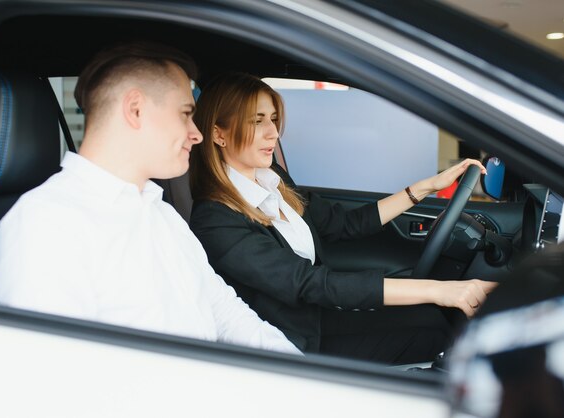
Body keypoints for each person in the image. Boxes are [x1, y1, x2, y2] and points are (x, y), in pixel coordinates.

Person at [0, 43, 300, 355]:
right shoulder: (45, 229)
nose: (197, 133)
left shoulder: (160, 213)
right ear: (135, 109)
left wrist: (297, 372)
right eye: (186, 114)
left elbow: (225, 313)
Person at [188, 72, 498, 363]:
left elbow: (346, 223)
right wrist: (440, 289)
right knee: (437, 333)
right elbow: (310, 284)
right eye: (257, 121)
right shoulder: (215, 220)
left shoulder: (273, 179)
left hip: (321, 314)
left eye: (272, 118)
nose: (272, 132)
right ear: (219, 134)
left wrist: (426, 187)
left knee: (432, 316)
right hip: (297, 340)